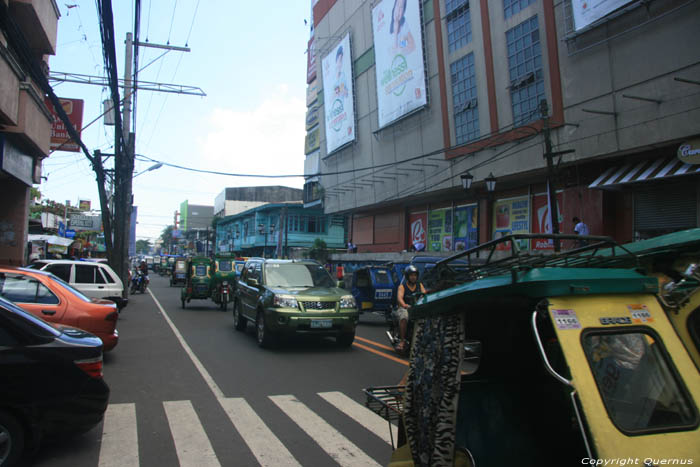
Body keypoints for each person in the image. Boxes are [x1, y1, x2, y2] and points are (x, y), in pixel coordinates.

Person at [394, 265, 426, 353]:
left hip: (416, 308)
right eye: (411, 275)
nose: (413, 277)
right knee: (404, 317)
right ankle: (402, 341)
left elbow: (425, 295)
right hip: (404, 308)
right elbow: (399, 298)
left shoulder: (420, 285)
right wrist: (404, 305)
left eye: (415, 275)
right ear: (408, 276)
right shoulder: (402, 286)